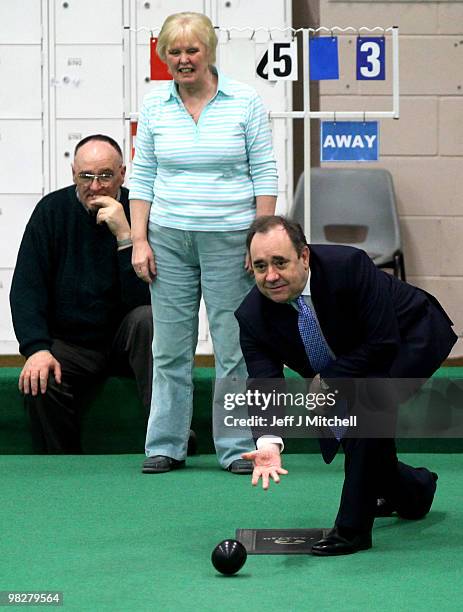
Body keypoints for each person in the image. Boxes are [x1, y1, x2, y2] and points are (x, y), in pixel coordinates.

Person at [235, 215, 457, 555]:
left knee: (366, 411)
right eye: (261, 266)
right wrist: (268, 440)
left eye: (280, 262)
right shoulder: (252, 315)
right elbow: (264, 381)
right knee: (368, 439)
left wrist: (329, 379)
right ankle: (415, 492)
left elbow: (383, 342)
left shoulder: (348, 266)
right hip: (352, 359)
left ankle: (352, 529)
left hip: (408, 336)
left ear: (304, 257)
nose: (271, 276)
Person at [129, 12, 278, 474]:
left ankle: (235, 449)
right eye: (174, 52)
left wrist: (259, 244)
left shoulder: (244, 101)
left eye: (192, 50)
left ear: (209, 52)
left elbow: (265, 174)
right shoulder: (155, 105)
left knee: (232, 348)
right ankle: (166, 445)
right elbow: (143, 177)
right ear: (164, 57)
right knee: (169, 348)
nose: (183, 59)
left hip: (232, 241)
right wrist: (139, 240)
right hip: (168, 240)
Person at [9, 134, 155, 454]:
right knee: (38, 376)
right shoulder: (51, 211)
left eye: (105, 175)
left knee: (149, 321)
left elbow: (147, 300)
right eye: (85, 176)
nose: (95, 186)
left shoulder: (140, 213)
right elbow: (26, 288)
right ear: (73, 172)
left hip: (124, 342)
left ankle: (167, 440)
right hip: (72, 345)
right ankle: (62, 463)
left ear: (122, 173)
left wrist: (126, 237)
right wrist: (36, 349)